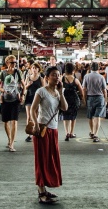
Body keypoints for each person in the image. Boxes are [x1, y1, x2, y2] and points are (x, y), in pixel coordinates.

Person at [29, 66, 68, 204]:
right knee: (41, 160)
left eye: (58, 75)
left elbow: (65, 108)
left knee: (51, 160)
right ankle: (41, 193)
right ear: (46, 77)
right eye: (53, 75)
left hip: (54, 129)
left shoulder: (57, 93)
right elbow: (33, 110)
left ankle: (44, 190)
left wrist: (61, 92)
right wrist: (35, 124)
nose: (56, 77)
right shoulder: (41, 91)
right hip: (42, 130)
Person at [0, 55, 25, 150]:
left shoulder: (18, 72)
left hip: (15, 100)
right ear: (7, 63)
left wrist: (22, 95)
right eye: (12, 62)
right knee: (6, 121)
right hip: (5, 99)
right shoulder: (3, 73)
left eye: (15, 62)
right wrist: (3, 90)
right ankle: (9, 139)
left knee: (14, 121)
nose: (14, 64)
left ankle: (12, 143)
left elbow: (24, 85)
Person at [84, 62, 107, 143]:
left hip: (90, 98)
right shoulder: (101, 77)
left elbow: (84, 89)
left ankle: (92, 132)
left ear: (90, 68)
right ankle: (96, 134)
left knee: (90, 116)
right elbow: (104, 90)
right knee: (97, 117)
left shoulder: (86, 76)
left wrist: (84, 98)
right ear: (98, 68)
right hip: (99, 98)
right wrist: (106, 99)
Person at [60, 62, 84, 141]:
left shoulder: (62, 79)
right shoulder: (75, 80)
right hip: (74, 100)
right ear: (73, 70)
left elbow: (57, 89)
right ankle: (71, 132)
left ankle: (66, 133)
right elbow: (81, 91)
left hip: (64, 99)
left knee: (65, 116)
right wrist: (82, 98)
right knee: (73, 117)